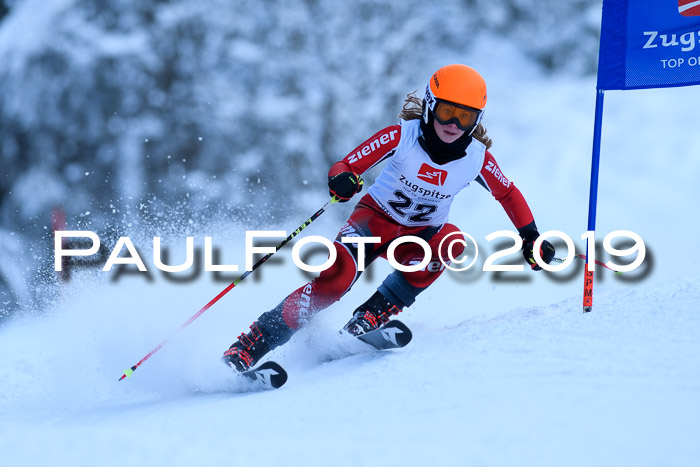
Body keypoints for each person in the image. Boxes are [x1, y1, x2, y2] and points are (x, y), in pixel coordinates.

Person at [222, 64, 555, 372]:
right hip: (372, 223)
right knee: (334, 282)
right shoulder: (401, 136)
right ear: (429, 105)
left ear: (476, 120)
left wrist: (531, 237)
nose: (453, 125)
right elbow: (347, 165)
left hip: (418, 236)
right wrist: (343, 178)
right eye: (447, 112)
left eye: (465, 118)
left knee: (452, 242)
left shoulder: (477, 159)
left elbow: (507, 193)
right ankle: (250, 345)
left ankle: (369, 316)